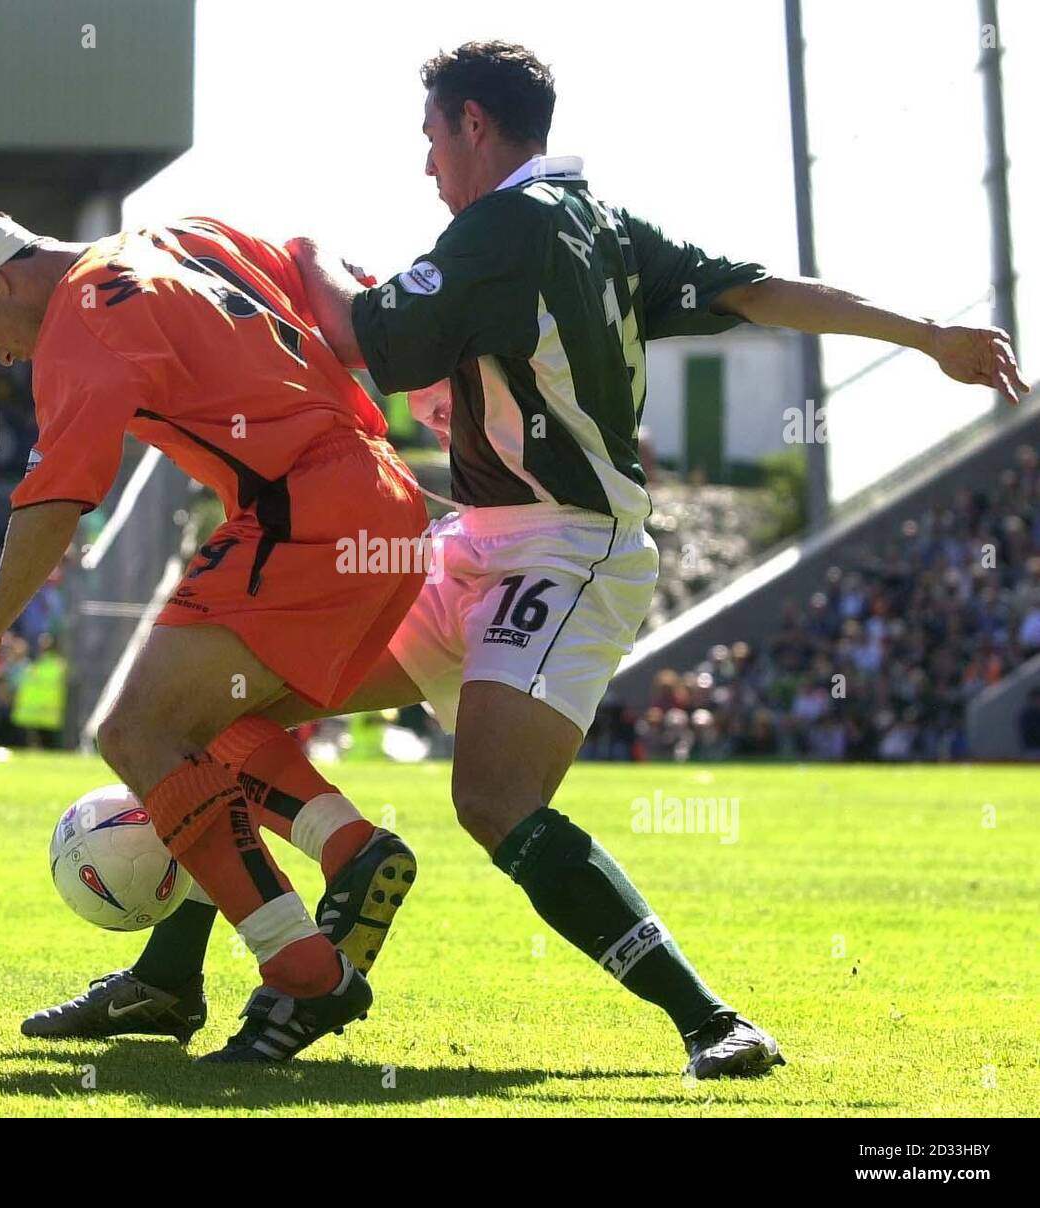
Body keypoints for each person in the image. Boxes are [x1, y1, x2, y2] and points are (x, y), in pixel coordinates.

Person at [124, 40, 1028, 1079]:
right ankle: (197, 961)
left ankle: (710, 1022)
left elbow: (368, 332)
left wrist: (307, 251)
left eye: (430, 138)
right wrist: (924, 334)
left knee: (494, 802)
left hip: (569, 550)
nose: (426, 166)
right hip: (476, 543)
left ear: (472, 123)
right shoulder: (595, 221)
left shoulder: (509, 224)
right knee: (219, 711)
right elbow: (756, 288)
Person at [0, 209, 428, 1062]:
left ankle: (306, 971)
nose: (2, 356)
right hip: (386, 502)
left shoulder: (79, 317)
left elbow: (55, 501)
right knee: (207, 728)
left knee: (134, 731)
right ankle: (345, 850)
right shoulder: (184, 233)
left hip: (302, 513)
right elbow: (306, 256)